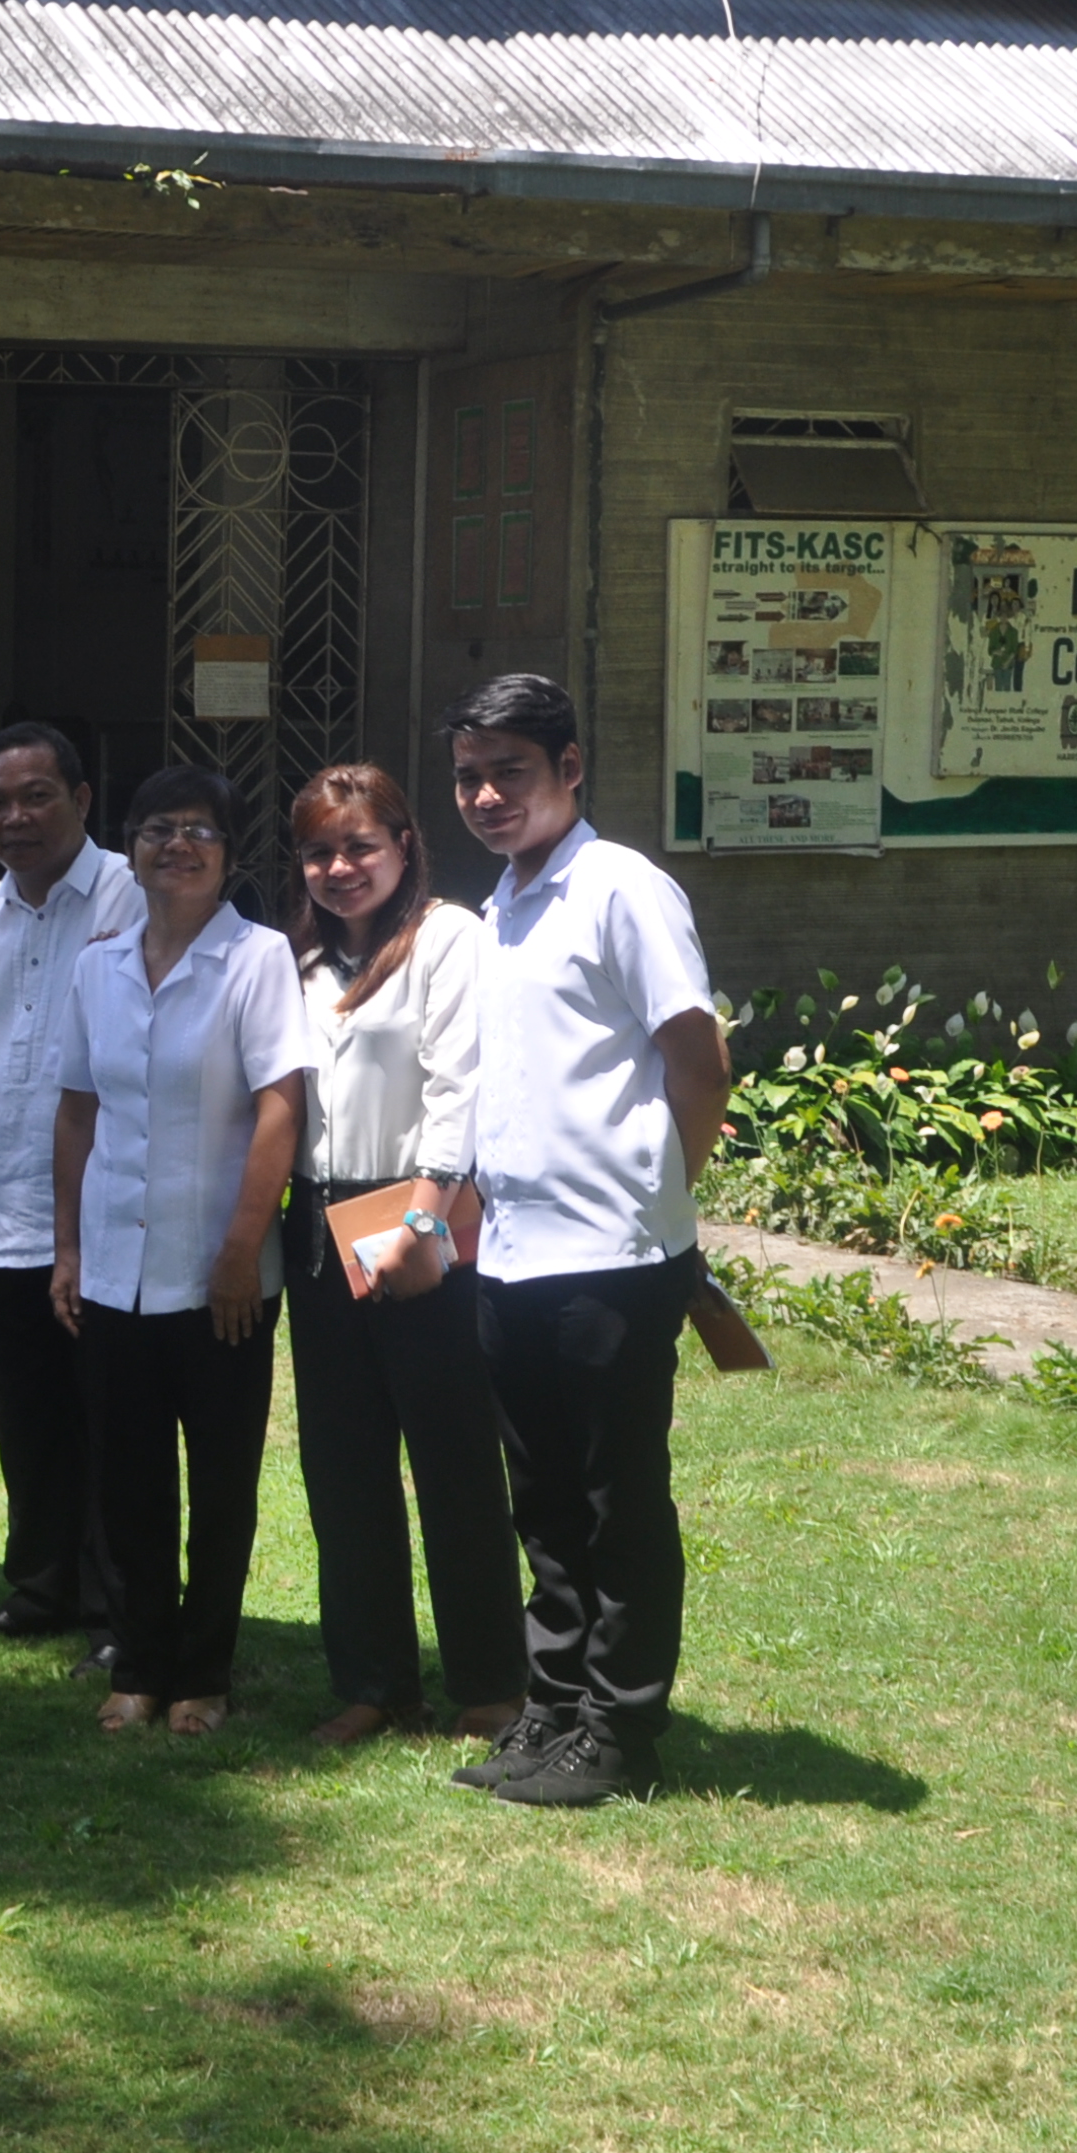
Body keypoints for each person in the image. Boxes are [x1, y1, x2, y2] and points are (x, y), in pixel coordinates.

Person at [441, 676, 733, 1809]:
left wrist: (660, 1202)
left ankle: (620, 1730)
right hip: (512, 1258)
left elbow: (696, 1058)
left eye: (508, 771)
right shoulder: (505, 900)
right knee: (545, 1503)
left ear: (570, 769)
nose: (484, 795)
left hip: (610, 1260)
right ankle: (553, 1710)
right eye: (468, 775)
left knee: (618, 1502)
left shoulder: (620, 887)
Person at [48, 764, 312, 1739]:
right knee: (126, 1484)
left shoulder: (257, 960)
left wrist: (243, 1247)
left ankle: (204, 1669)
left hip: (221, 1278)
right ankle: (139, 1660)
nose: (178, 845)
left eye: (200, 830)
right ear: (130, 847)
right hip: (115, 1269)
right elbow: (76, 1112)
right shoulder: (97, 966)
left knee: (220, 1481)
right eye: (158, 828)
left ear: (228, 854)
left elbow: (281, 1105)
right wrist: (69, 1246)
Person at [280, 763, 523, 1749]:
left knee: (454, 1460)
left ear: (403, 846)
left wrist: (423, 1226)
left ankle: (490, 1679)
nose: (339, 868)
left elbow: (456, 1086)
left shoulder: (446, 939)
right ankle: (375, 1682)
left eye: (358, 847)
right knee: (342, 1470)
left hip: (415, 1215)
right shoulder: (294, 965)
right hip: (319, 1225)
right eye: (318, 851)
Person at [0, 720, 139, 1647]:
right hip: (7, 1206)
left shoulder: (130, 895)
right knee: (25, 1413)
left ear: (83, 800)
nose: (14, 819)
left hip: (104, 1212)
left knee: (108, 1413)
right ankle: (41, 1589)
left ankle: (113, 1600)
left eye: (36, 796)